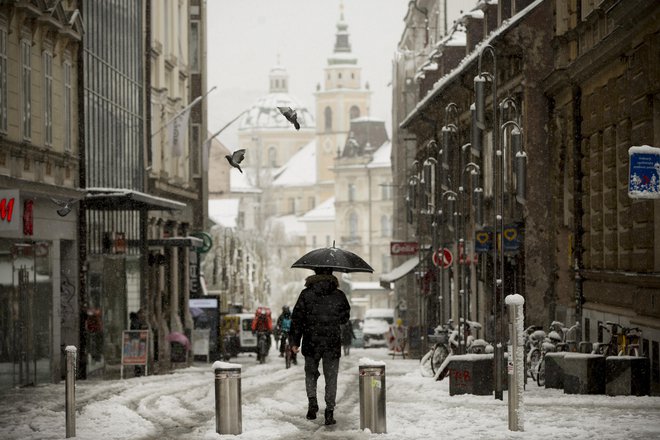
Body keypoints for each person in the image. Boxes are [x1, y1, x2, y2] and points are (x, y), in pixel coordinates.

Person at [290, 268, 350, 426]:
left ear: (314, 274)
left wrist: (295, 341)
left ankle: (312, 403)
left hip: (311, 342)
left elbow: (297, 319)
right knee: (331, 377)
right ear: (332, 274)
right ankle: (329, 411)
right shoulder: (339, 295)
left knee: (310, 374)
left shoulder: (306, 294)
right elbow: (345, 318)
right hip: (332, 343)